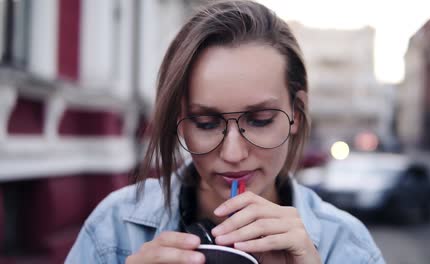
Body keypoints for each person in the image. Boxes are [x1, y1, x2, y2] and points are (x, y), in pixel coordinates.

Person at [66, 1, 385, 263]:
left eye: (260, 120)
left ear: (296, 113)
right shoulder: (115, 228)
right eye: (206, 123)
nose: (233, 154)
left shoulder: (345, 244)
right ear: (180, 119)